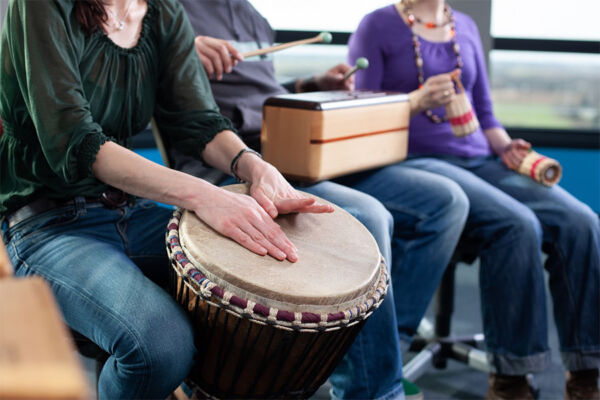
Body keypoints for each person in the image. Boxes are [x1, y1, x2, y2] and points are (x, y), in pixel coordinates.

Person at [0, 0, 338, 398]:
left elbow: (198, 121)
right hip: (45, 227)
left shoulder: (162, 12)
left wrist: (256, 167)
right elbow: (75, 141)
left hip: (127, 211)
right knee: (160, 348)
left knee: (281, 304)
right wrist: (206, 196)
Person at [174, 1, 470, 399]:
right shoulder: (169, 14)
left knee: (446, 202)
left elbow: (264, 93)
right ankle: (374, 388)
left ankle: (383, 347)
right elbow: (157, 93)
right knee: (369, 214)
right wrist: (180, 51)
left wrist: (312, 83)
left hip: (290, 147)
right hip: (232, 160)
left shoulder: (252, 17)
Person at [349, 1, 600, 398]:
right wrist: (415, 101)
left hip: (482, 159)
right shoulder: (376, 25)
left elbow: (485, 113)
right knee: (517, 224)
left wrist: (507, 147)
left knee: (582, 221)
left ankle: (587, 371)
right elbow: (359, 116)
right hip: (417, 163)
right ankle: (512, 376)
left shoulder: (463, 26)